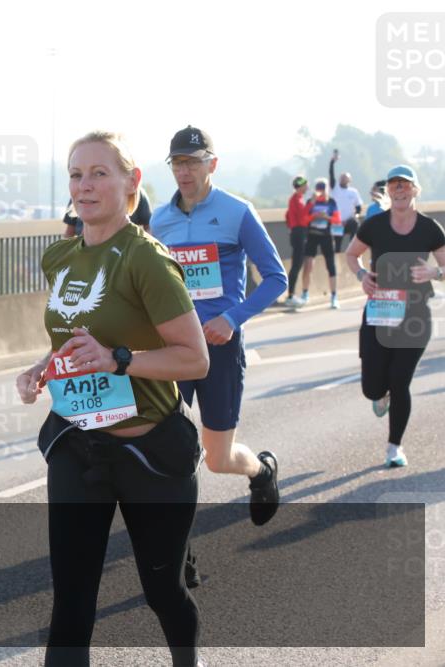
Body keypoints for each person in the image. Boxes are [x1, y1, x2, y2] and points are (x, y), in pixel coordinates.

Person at [18, 131, 209, 667]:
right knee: (71, 600)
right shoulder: (59, 257)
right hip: (79, 447)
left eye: (99, 173)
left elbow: (194, 359)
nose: (84, 185)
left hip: (150, 454)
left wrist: (118, 359)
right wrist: (43, 367)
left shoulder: (146, 259)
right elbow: (74, 337)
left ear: (131, 182)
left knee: (163, 591)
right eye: (76, 175)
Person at [150, 126, 286, 593]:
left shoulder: (236, 211)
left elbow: (276, 278)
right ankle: (181, 553)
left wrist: (232, 318)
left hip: (221, 349)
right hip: (174, 350)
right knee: (170, 450)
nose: (184, 171)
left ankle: (261, 471)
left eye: (193, 161)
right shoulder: (160, 220)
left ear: (212, 163)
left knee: (217, 458)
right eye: (177, 163)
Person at [345, 165, 445, 468]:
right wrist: (362, 275)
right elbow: (352, 254)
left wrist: (434, 272)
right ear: (388, 190)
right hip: (380, 312)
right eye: (394, 185)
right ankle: (380, 394)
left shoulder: (430, 228)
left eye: (404, 184)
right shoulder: (374, 225)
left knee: (400, 381)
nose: (399, 189)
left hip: (415, 317)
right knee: (372, 388)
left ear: (415, 189)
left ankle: (394, 447)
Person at [300, 178, 341, 308]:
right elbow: (303, 219)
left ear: (326, 189)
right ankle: (305, 293)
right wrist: (314, 216)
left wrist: (326, 217)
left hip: (326, 236)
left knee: (330, 266)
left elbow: (337, 219)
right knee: (308, 265)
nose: (320, 192)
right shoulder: (310, 202)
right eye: (318, 189)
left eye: (323, 189)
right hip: (312, 236)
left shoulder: (331, 202)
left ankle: (334, 296)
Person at [63, 187, 152, 236]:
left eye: (100, 173)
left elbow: (149, 227)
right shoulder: (79, 194)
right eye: (76, 175)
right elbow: (69, 232)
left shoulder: (137, 194)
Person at [329, 150, 364, 251]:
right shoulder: (335, 188)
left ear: (349, 180)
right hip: (337, 222)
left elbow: (358, 207)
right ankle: (337, 255)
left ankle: (352, 249)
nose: (343, 179)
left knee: (355, 224)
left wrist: (355, 215)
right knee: (337, 244)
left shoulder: (353, 192)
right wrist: (332, 162)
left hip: (349, 222)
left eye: (345, 178)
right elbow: (331, 174)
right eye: (342, 178)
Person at [284, 176, 311, 307]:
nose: (307, 187)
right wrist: (312, 203)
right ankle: (290, 295)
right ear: (301, 186)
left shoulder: (296, 199)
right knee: (296, 264)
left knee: (298, 264)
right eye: (305, 185)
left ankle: (291, 294)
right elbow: (303, 216)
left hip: (297, 232)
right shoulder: (296, 199)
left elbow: (287, 216)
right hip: (299, 232)